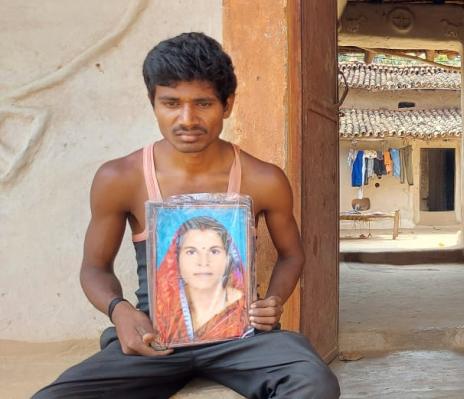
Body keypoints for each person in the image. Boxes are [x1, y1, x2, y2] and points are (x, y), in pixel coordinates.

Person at [34, 32, 339, 398]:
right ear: (153, 103)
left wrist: (273, 301)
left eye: (203, 103)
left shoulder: (263, 179)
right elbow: (94, 268)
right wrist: (120, 311)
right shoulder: (120, 178)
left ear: (227, 104)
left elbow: (292, 255)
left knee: (315, 382)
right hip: (155, 335)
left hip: (242, 337)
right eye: (171, 103)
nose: (187, 119)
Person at [155, 216, 248, 346]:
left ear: (228, 258)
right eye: (191, 252)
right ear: (176, 259)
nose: (203, 262)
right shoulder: (165, 307)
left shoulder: (243, 307)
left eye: (214, 251)